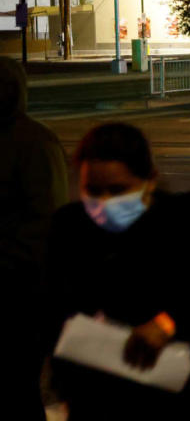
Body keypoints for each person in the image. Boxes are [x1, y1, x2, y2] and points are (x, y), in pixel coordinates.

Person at [46, 123, 190, 420]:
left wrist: (169, 325)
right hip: (94, 400)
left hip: (176, 400)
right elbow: (53, 308)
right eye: (92, 190)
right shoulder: (68, 228)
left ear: (150, 180)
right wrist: (66, 386)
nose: (104, 202)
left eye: (118, 190)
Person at [0, 58, 68, 421]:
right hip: (18, 284)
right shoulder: (34, 141)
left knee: (16, 387)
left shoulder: (34, 143)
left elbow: (45, 222)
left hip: (18, 291)